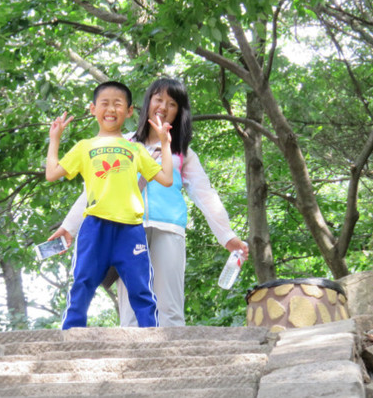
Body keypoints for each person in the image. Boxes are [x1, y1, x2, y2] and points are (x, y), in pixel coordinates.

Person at [50, 78, 248, 327]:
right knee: (132, 311)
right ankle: (132, 364)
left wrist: (227, 235)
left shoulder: (182, 153)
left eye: (172, 103)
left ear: (179, 112)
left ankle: (173, 362)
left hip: (169, 229)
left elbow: (204, 194)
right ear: (147, 103)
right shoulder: (122, 144)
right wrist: (69, 227)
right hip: (126, 230)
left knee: (170, 307)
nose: (163, 107)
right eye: (158, 99)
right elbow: (93, 191)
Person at [45, 81, 174, 329]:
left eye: (118, 104)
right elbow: (52, 173)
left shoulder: (135, 149)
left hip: (130, 229)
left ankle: (152, 339)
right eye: (105, 103)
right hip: (95, 227)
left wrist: (165, 143)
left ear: (129, 111)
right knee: (83, 283)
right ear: (93, 109)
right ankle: (71, 336)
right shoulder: (84, 147)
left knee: (141, 289)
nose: (111, 109)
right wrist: (55, 139)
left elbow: (166, 179)